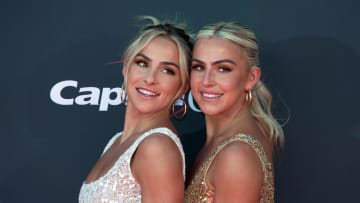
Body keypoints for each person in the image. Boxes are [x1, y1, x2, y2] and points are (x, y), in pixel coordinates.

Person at [79, 16, 192, 203]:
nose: (150, 78)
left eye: (167, 71)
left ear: (183, 87)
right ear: (126, 68)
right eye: (142, 63)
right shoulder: (116, 141)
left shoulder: (157, 148)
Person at [185, 22, 285, 203]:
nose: (207, 81)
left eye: (223, 69)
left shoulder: (236, 156)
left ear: (251, 78)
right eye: (199, 67)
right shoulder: (235, 135)